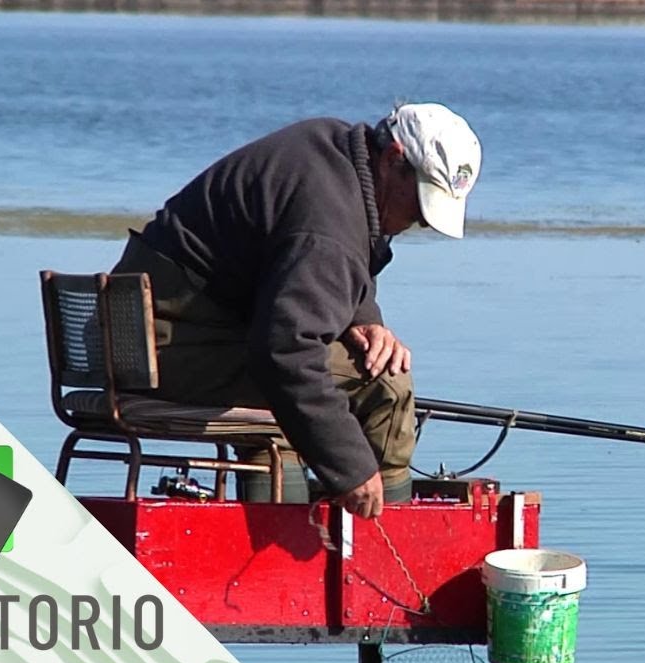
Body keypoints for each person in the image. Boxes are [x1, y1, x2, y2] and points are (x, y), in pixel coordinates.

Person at [111, 103, 481, 520]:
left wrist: (363, 319)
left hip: (142, 336)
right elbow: (285, 354)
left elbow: (321, 259)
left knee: (306, 402)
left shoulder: (330, 149)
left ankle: (284, 536)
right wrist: (353, 469)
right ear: (394, 158)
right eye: (420, 205)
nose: (421, 223)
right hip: (164, 348)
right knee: (386, 386)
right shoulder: (329, 220)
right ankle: (384, 541)